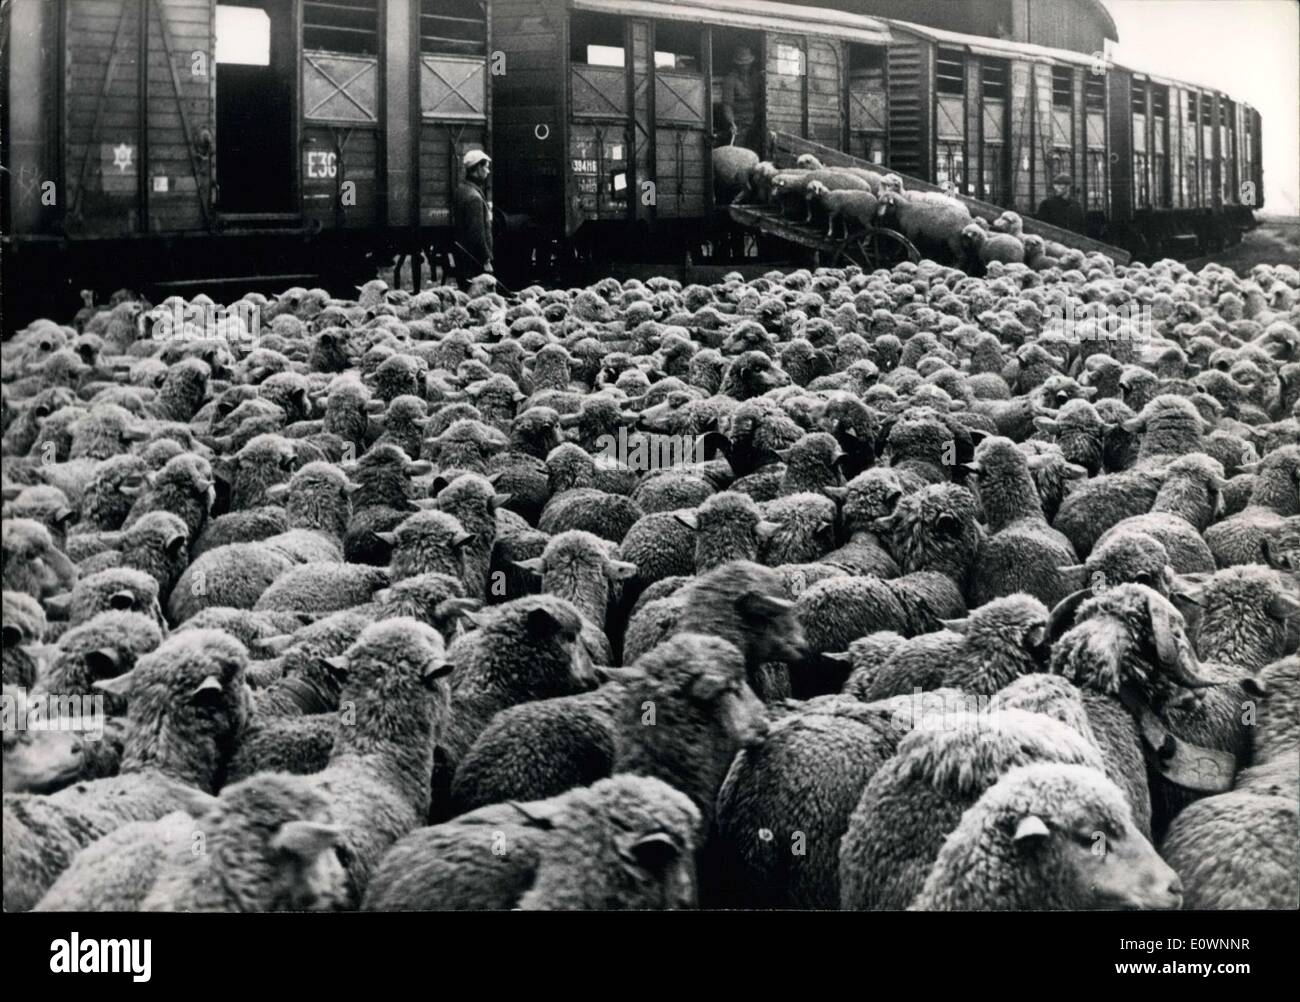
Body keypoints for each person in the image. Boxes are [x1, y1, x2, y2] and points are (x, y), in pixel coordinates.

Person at [452, 149, 493, 285]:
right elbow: (477, 233)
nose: (488, 171)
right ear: (478, 168)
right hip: (474, 262)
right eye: (486, 167)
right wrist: (486, 260)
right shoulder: (474, 197)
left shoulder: (461, 190)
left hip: (463, 259)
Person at [719, 46, 763, 152]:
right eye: (742, 64)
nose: (745, 66)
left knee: (755, 150)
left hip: (755, 121)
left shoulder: (756, 77)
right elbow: (727, 105)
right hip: (739, 123)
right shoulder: (730, 80)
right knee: (740, 151)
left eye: (747, 64)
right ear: (737, 65)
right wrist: (731, 122)